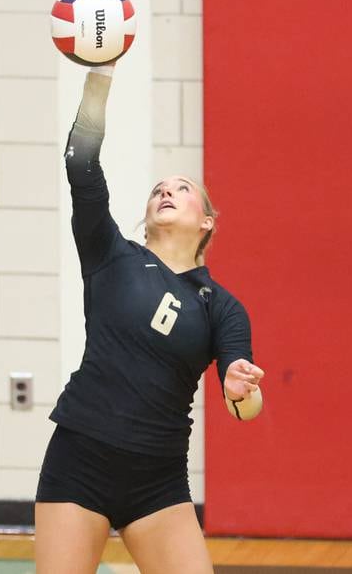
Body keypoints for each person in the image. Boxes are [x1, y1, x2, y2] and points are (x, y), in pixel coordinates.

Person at [34, 65, 265, 574]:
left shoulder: (221, 306)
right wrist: (100, 78)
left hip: (156, 477)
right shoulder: (110, 254)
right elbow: (82, 166)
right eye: (158, 188)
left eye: (181, 189)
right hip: (81, 456)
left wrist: (241, 386)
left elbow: (244, 408)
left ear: (206, 220)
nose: (166, 191)